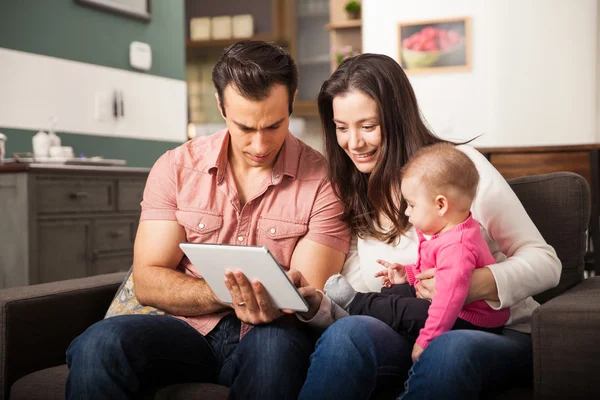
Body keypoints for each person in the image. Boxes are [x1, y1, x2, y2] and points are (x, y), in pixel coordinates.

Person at [65, 40, 351, 400]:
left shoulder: (326, 183)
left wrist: (278, 298)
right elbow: (148, 281)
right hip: (187, 330)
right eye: (245, 128)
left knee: (274, 351)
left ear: (292, 102)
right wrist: (226, 293)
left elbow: (305, 297)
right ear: (221, 106)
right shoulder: (177, 167)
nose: (260, 145)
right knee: (98, 344)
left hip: (272, 334)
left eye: (274, 126)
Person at [297, 53, 561, 399]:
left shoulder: (455, 170)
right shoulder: (354, 191)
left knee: (448, 350)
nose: (354, 143)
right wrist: (319, 308)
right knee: (348, 333)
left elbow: (546, 262)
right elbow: (367, 300)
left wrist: (473, 285)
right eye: (341, 128)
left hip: (498, 331)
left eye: (368, 126)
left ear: (396, 118)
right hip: (412, 331)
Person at [325, 143, 509, 363]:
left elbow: (448, 300)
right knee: (397, 291)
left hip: (469, 319)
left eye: (411, 205)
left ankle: (355, 304)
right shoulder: (447, 232)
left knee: (405, 310)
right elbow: (436, 272)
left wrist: (426, 341)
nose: (406, 211)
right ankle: (367, 308)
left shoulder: (457, 248)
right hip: (452, 307)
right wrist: (409, 275)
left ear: (440, 205)